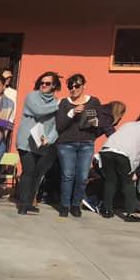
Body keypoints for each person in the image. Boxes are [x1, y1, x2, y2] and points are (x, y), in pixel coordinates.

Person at [99, 108, 140, 222]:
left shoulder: (129, 124)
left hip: (106, 150)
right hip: (125, 154)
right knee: (128, 183)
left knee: (110, 180)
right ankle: (130, 213)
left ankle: (107, 210)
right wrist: (135, 168)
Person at [55, 73, 104, 218]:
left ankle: (76, 205)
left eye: (77, 86)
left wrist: (95, 122)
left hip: (86, 143)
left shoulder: (93, 101)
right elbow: (59, 125)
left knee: (82, 176)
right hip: (66, 143)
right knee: (68, 175)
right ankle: (64, 205)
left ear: (83, 86)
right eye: (71, 86)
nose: (74, 89)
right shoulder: (64, 103)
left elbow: (100, 121)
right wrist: (71, 113)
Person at [16, 72, 61, 215]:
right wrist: (58, 106)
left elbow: (56, 125)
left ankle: (29, 202)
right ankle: (23, 204)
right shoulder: (32, 96)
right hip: (27, 141)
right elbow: (38, 111)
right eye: (42, 82)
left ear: (54, 85)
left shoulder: (56, 101)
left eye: (47, 83)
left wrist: (51, 139)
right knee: (28, 171)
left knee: (37, 173)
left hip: (42, 143)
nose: (43, 85)